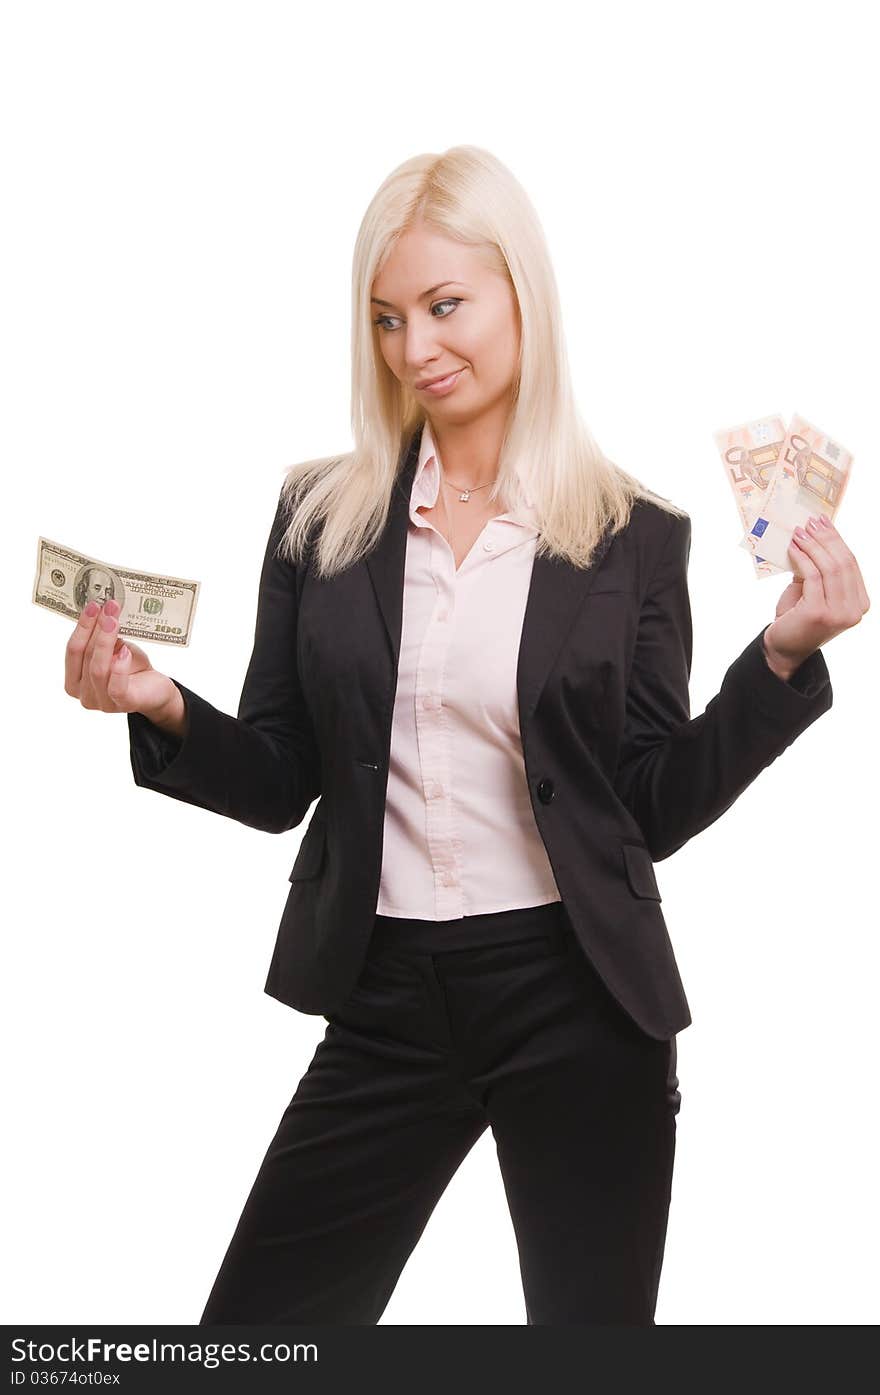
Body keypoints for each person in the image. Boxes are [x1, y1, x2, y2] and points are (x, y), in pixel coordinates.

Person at [64, 145, 870, 1325]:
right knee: (254, 1340)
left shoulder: (632, 536)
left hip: (579, 998)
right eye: (386, 318)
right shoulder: (318, 516)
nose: (414, 349)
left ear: (519, 296)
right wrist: (160, 706)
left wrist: (783, 659)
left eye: (446, 307)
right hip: (385, 994)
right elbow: (283, 776)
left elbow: (647, 804)